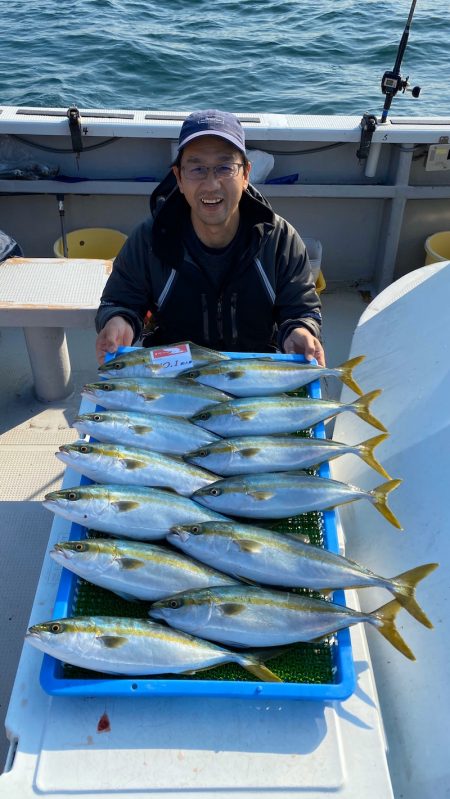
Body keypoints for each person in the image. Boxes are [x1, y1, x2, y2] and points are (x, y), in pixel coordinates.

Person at [95, 109, 324, 365]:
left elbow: (301, 309)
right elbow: (120, 299)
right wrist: (118, 322)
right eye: (197, 169)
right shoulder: (150, 238)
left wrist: (301, 331)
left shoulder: (280, 239)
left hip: (253, 370)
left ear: (246, 174)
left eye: (225, 167)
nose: (212, 184)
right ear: (179, 178)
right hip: (174, 372)